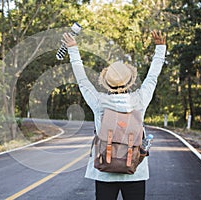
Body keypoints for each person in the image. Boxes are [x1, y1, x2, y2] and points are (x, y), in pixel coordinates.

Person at [62, 30, 166, 200]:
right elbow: (152, 76)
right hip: (135, 171)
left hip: (105, 171)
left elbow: (82, 80)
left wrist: (73, 49)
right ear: (129, 81)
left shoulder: (99, 102)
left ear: (107, 83)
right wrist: (160, 48)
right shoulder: (140, 100)